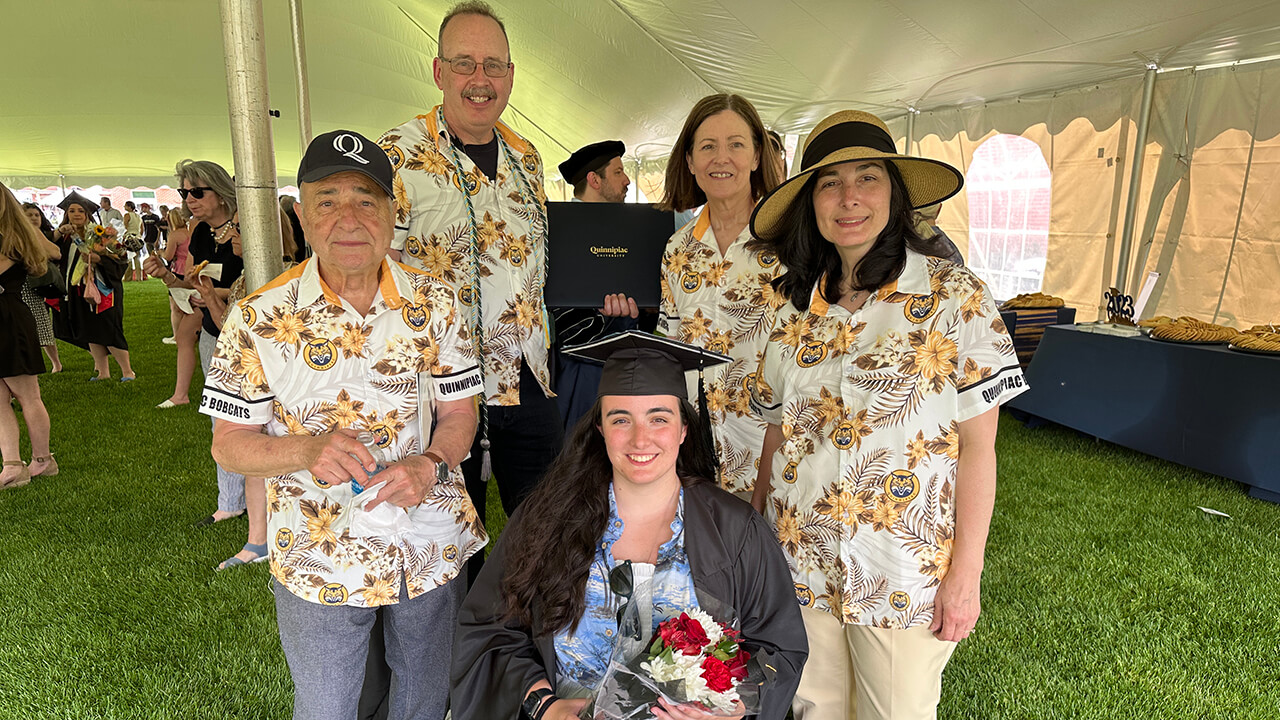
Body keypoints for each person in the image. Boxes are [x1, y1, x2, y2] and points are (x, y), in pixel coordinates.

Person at [747, 110, 1027, 720]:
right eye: (829, 182)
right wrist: (754, 535)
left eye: (867, 177)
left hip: (903, 571)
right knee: (812, 709)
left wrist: (966, 575)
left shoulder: (955, 296)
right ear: (810, 204)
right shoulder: (791, 307)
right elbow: (776, 431)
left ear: (894, 193)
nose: (849, 198)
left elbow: (980, 447)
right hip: (802, 562)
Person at [205, 129, 484, 720]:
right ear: (303, 217)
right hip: (317, 549)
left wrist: (430, 462)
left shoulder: (435, 304)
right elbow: (228, 447)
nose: (348, 218)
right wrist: (305, 451)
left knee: (425, 698)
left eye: (366, 199)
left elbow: (461, 412)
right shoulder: (259, 318)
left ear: (390, 213)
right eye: (327, 201)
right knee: (327, 704)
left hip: (425, 538)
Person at [452, 332, 807, 720]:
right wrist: (544, 705)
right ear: (601, 427)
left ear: (684, 429)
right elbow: (490, 629)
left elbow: (779, 647)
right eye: (621, 419)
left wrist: (733, 707)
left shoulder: (735, 529)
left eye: (659, 418)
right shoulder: (547, 518)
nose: (641, 439)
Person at [378, 0, 563, 574]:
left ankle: (536, 650)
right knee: (456, 541)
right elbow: (381, 275)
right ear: (438, 72)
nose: (480, 80)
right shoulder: (396, 156)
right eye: (464, 64)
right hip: (443, 388)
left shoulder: (526, 155)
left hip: (529, 379)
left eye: (494, 65)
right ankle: (465, 655)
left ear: (510, 75)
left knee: (546, 530)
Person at [655, 93, 784, 497]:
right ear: (690, 162)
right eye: (707, 146)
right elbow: (670, 352)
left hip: (776, 457)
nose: (721, 158)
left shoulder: (791, 243)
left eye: (736, 144)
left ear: (757, 156)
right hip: (698, 457)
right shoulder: (678, 249)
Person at [143, 159, 245, 525]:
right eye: (185, 192)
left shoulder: (251, 230)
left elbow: (267, 283)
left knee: (258, 419)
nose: (189, 199)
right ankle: (231, 501)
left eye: (197, 192)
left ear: (221, 192)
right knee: (223, 418)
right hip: (213, 331)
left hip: (250, 336)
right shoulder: (200, 232)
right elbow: (192, 283)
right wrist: (168, 276)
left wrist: (215, 289)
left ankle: (256, 502)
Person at [551, 140, 640, 431]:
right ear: (594, 180)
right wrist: (602, 315)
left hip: (625, 359)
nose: (627, 180)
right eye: (618, 172)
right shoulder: (556, 231)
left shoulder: (630, 229)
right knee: (580, 452)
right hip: (580, 365)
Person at [1, 182, 57, 488]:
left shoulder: (10, 236)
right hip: (10, 314)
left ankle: (42, 460)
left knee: (27, 395)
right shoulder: (18, 233)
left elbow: (51, 254)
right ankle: (12, 464)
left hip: (8, 317)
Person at [51, 192, 135, 381]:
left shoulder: (101, 234)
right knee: (90, 330)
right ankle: (103, 372)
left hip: (104, 289)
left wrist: (99, 259)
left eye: (81, 210)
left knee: (109, 328)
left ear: (88, 214)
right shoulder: (65, 237)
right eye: (72, 211)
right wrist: (60, 232)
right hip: (78, 290)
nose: (76, 214)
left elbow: (121, 261)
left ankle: (127, 372)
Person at [20, 203, 63, 372]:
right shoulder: (16, 235)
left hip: (36, 285)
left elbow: (56, 253)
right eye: (29, 215)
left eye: (36, 215)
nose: (33, 218)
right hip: (19, 286)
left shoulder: (39, 234)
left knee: (42, 324)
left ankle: (55, 362)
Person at [158, 205, 192, 345]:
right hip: (192, 269)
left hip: (179, 271)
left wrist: (160, 252)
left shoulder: (174, 235)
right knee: (191, 304)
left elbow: (168, 255)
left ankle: (177, 336)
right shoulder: (191, 232)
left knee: (176, 307)